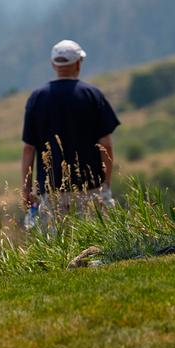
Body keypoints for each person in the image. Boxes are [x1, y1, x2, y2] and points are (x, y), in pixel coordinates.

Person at [21, 39, 120, 228]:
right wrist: (105, 184)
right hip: (90, 187)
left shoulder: (37, 97)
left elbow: (28, 149)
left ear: (53, 65)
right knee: (95, 241)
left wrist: (26, 190)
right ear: (78, 64)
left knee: (55, 245)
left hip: (50, 190)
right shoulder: (92, 95)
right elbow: (106, 144)